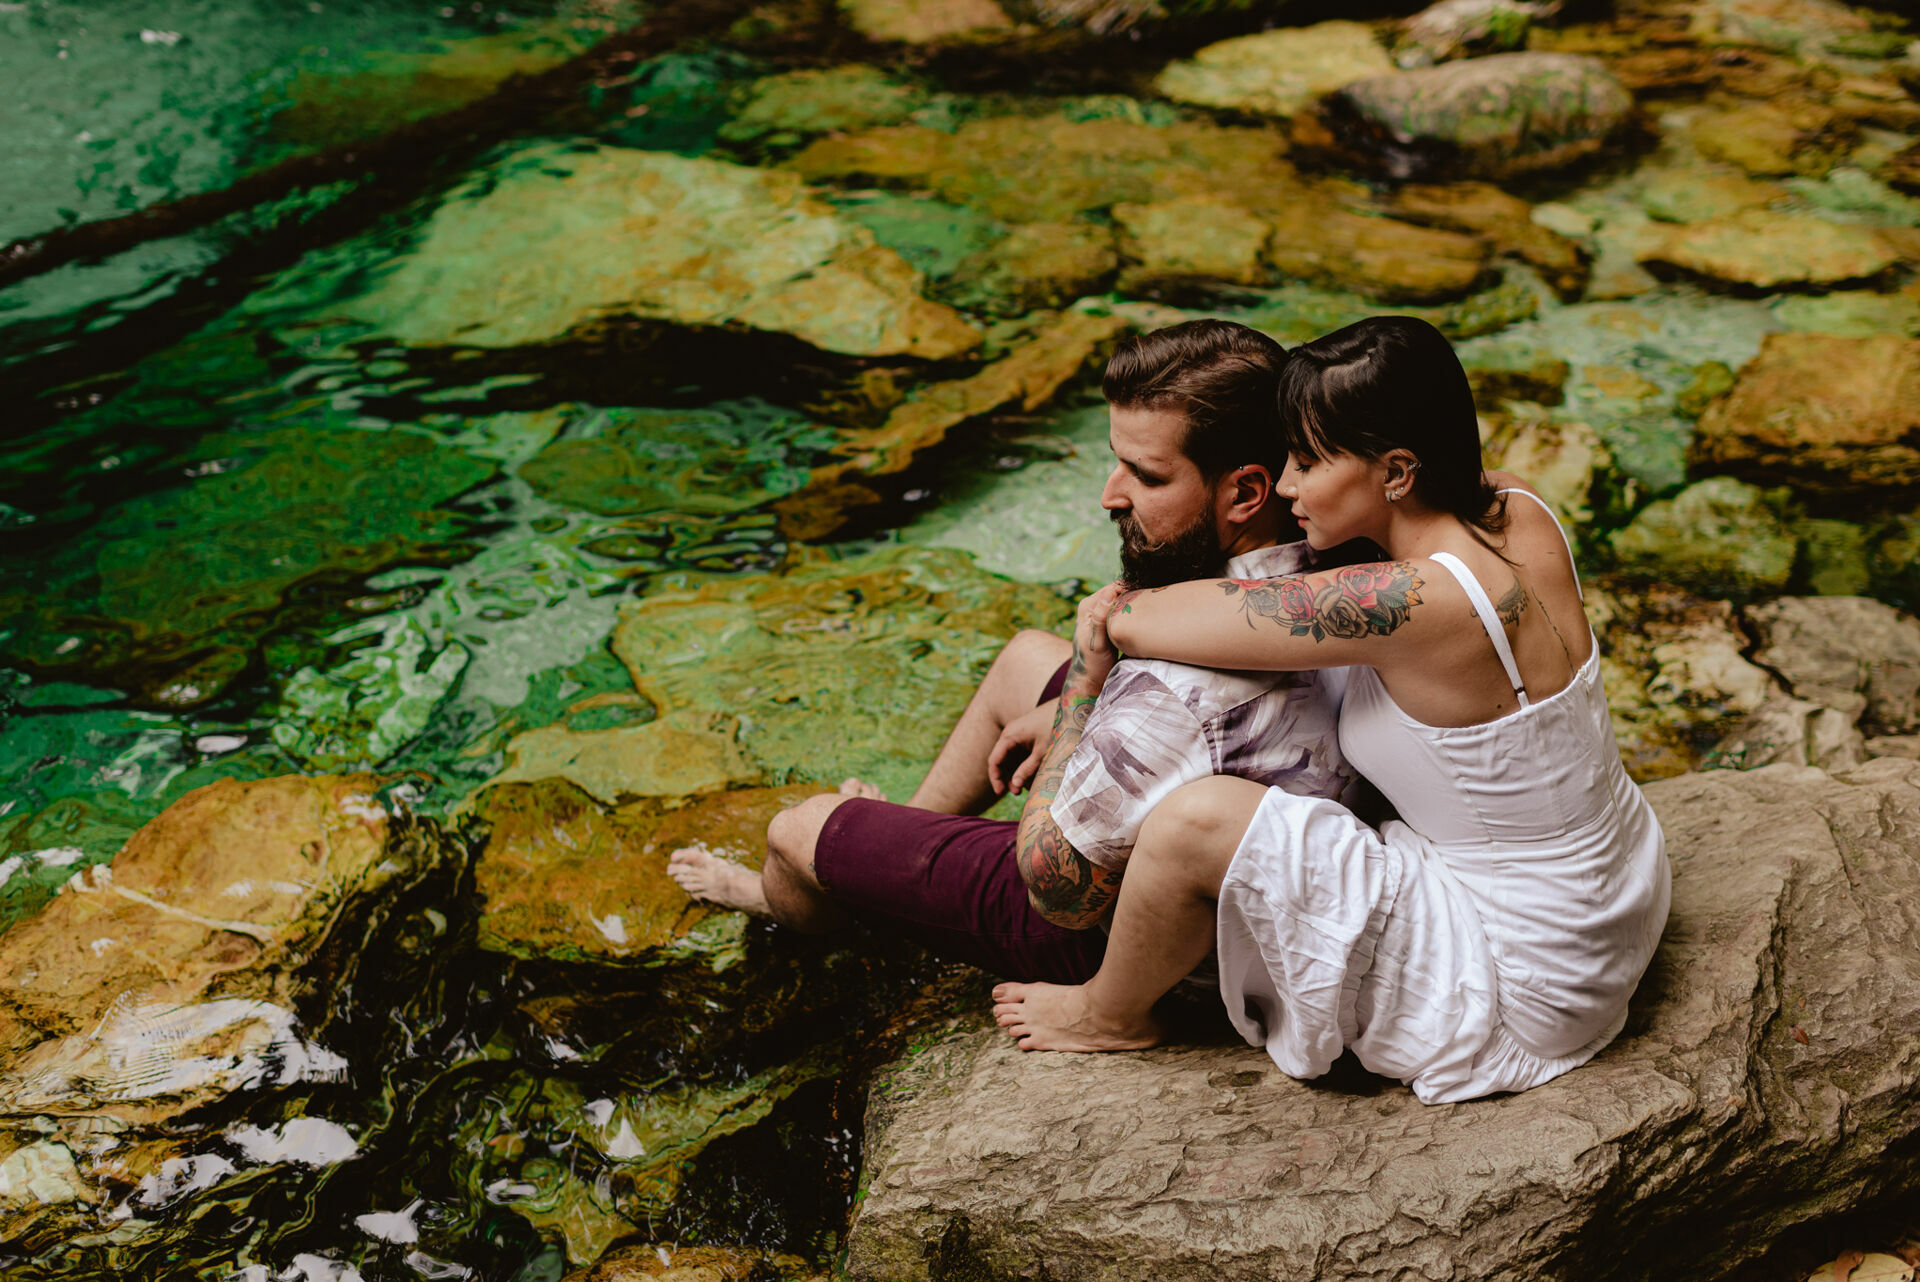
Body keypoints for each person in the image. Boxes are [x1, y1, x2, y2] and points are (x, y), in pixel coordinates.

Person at [991, 315, 1670, 1105]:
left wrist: (1089, 670)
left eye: (1309, 461)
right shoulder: (1518, 509)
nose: (1284, 486)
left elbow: (1139, 619)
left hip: (1529, 971)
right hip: (1617, 890)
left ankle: (1108, 1013)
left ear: (1396, 471)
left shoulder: (1409, 599)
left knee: (1195, 819)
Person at [667, 319, 1356, 983]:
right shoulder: (1339, 574)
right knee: (1026, 656)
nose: (1108, 496)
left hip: (1118, 933)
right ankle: (895, 837)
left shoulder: (1172, 697)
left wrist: (1080, 702)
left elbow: (1055, 888)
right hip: (1238, 822)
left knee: (795, 833)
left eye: (1145, 476)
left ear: (1245, 492)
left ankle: (808, 895)